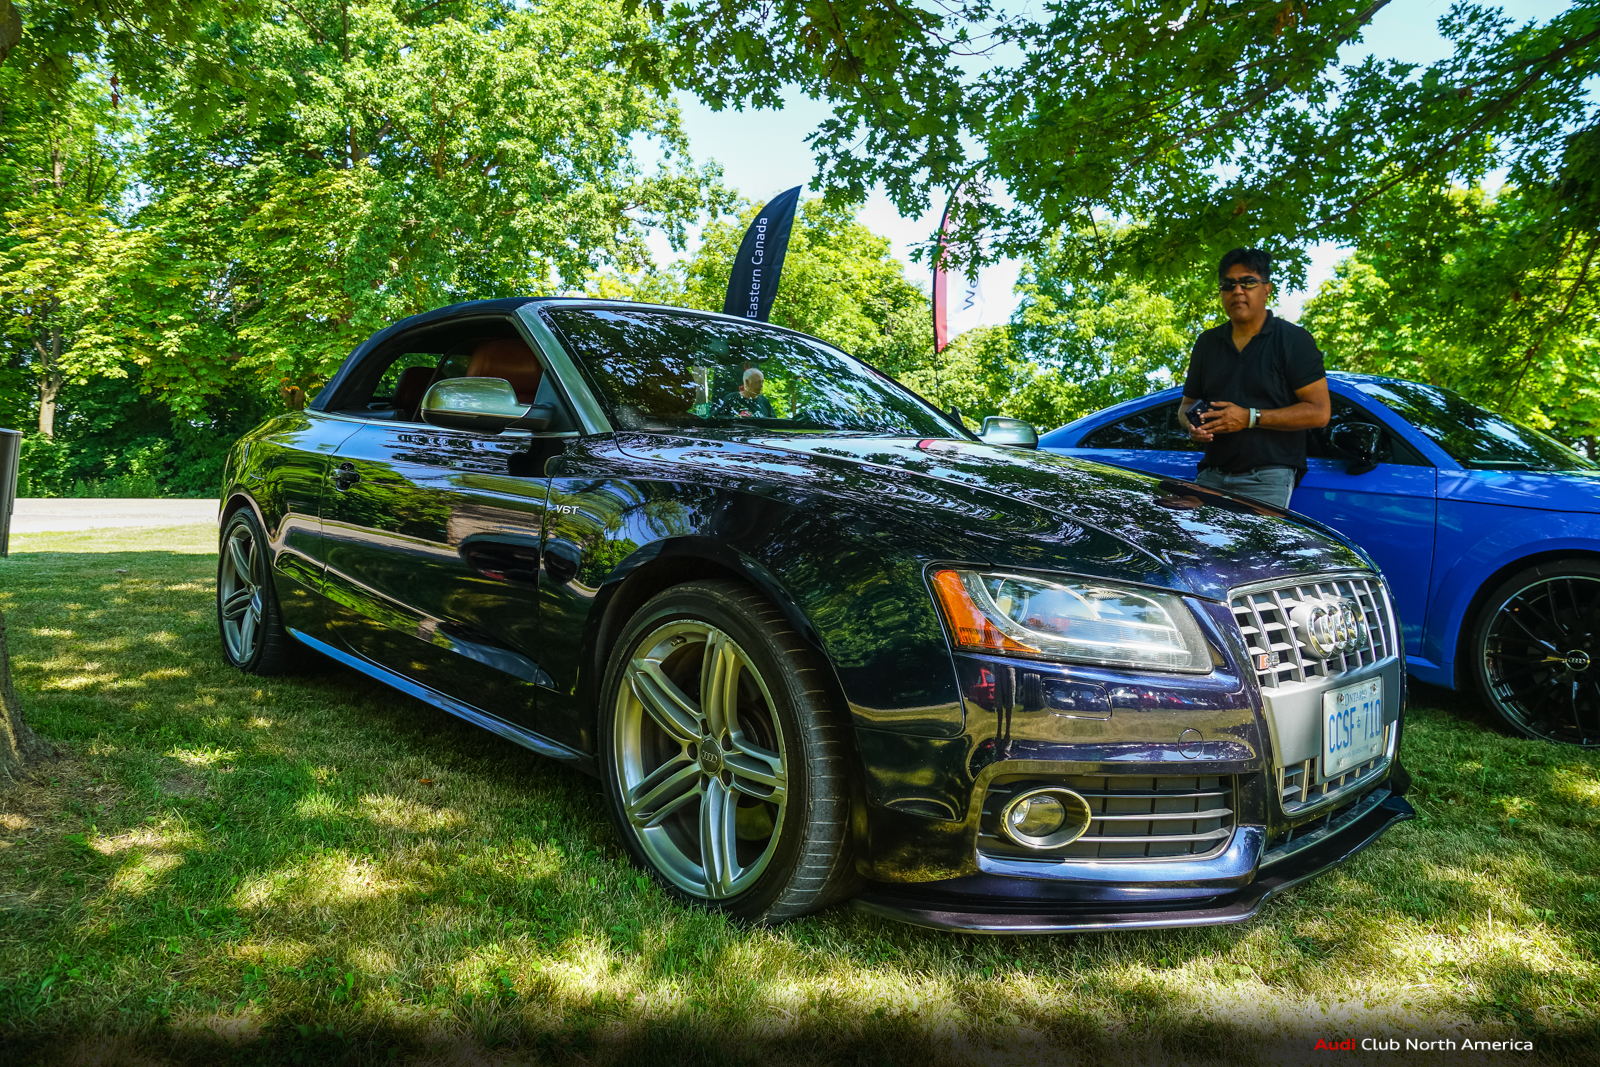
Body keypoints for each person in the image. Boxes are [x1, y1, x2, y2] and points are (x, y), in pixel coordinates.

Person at [1178, 247, 1330, 510]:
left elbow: (1319, 412)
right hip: (1209, 477)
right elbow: (1186, 406)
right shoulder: (1207, 343)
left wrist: (1250, 417)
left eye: (1248, 282)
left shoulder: (1294, 340)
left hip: (1267, 479)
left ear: (1267, 289)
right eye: (1228, 284)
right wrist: (1192, 426)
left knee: (1256, 542)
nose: (1237, 291)